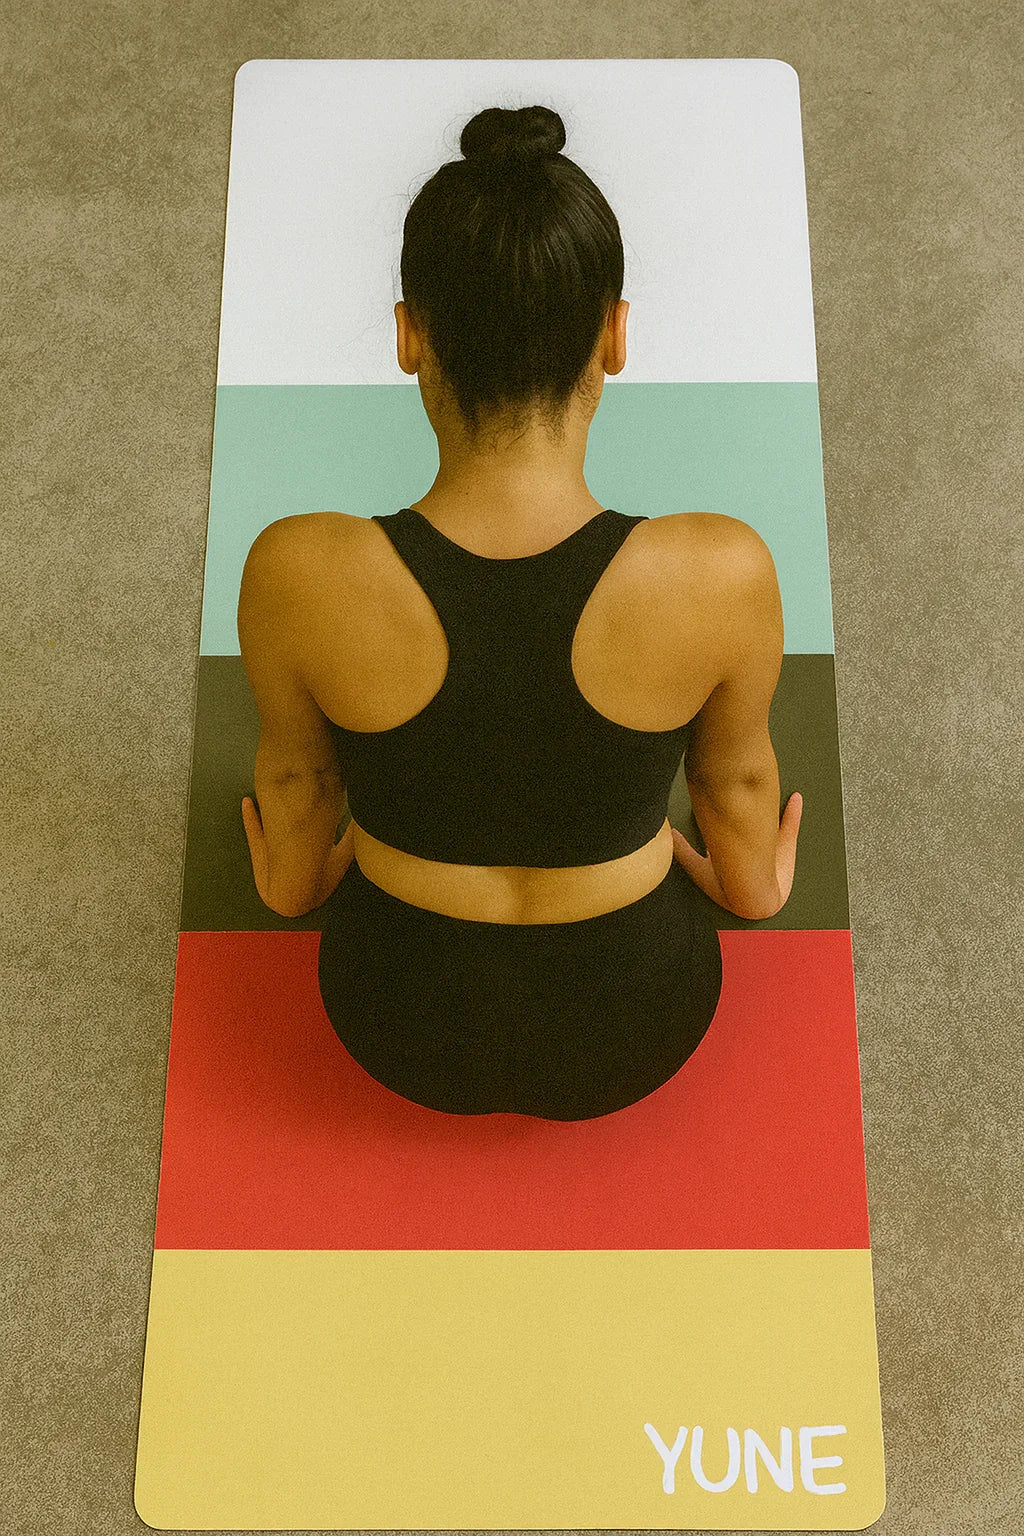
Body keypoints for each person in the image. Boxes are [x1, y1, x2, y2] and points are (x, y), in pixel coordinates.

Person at [237, 103, 803, 1121]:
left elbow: (296, 773)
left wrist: (290, 883)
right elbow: (738, 778)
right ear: (615, 333)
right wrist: (752, 886)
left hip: (394, 1022)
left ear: (410, 336)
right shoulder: (721, 568)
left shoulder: (298, 568)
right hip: (637, 1025)